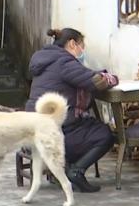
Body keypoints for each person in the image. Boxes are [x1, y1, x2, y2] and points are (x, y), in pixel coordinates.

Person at [25, 28, 118, 193]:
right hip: (56, 131)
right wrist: (112, 78)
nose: (82, 51)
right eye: (82, 46)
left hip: (35, 128)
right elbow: (97, 82)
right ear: (72, 44)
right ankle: (76, 171)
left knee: (88, 126)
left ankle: (61, 169)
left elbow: (83, 76)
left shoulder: (46, 60)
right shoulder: (65, 62)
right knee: (105, 134)